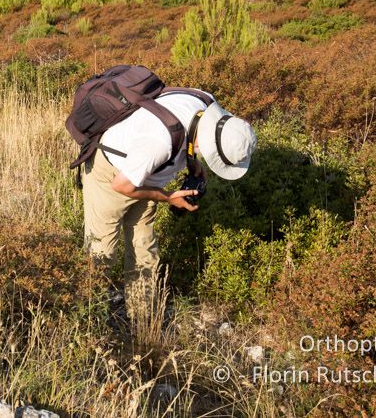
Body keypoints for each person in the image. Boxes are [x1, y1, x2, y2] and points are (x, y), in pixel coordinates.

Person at [80, 89, 256, 312]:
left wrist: (193, 163)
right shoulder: (159, 143)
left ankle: (142, 318)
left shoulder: (207, 102)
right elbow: (122, 185)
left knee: (144, 249)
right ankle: (86, 315)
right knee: (102, 251)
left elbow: (190, 132)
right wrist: (168, 197)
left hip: (146, 173)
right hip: (111, 174)